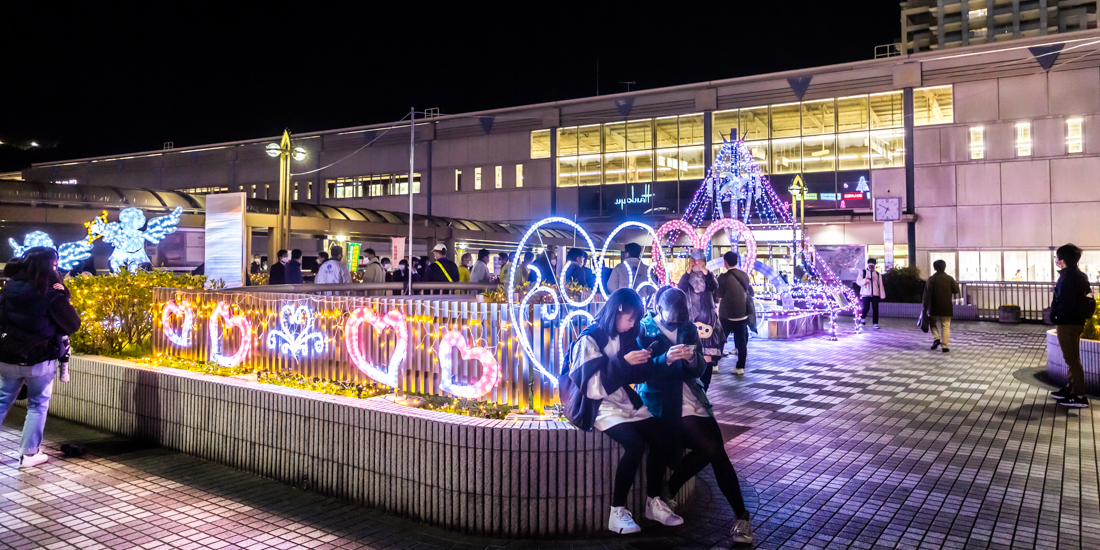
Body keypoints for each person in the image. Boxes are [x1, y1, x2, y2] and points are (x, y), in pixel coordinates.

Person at [637, 287, 752, 544]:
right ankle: (742, 518)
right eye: (672, 320)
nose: (677, 323)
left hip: (692, 398)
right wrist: (665, 358)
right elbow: (641, 374)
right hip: (664, 402)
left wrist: (691, 360)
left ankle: (672, 490)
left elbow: (700, 367)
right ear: (657, 309)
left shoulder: (689, 327)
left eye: (681, 319)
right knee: (713, 448)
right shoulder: (644, 329)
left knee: (715, 450)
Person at [565, 288, 672, 534]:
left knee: (660, 437)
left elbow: (630, 375)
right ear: (618, 310)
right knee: (634, 445)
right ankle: (617, 511)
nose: (632, 324)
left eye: (635, 320)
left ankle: (653, 502)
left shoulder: (626, 335)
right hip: (597, 405)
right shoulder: (590, 338)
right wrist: (625, 362)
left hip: (622, 399)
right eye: (630, 318)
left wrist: (653, 359)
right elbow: (591, 385)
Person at [0, 247, 81, 468]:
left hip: (7, 356)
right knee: (37, 405)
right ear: (50, 265)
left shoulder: (10, 286)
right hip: (39, 357)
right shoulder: (52, 291)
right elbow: (72, 324)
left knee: (2, 401)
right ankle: (29, 454)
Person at [1050, 244, 1096, 408]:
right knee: (1071, 358)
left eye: (1057, 257)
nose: (1056, 260)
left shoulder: (1069, 277)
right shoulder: (1079, 275)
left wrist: (1055, 314)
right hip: (1074, 321)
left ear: (1062, 260)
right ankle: (1070, 388)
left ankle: (1078, 395)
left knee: (1072, 359)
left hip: (1068, 322)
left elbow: (1067, 303)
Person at [678, 250, 725, 376]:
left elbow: (714, 286)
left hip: (707, 316)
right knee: (692, 346)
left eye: (700, 262)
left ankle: (707, 374)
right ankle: (695, 374)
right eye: (694, 262)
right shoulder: (687, 277)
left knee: (708, 348)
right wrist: (689, 269)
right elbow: (680, 288)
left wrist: (704, 270)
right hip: (691, 315)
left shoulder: (709, 276)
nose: (697, 265)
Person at [717, 251, 753, 375]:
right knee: (741, 341)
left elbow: (718, 294)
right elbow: (749, 291)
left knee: (721, 339)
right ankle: (740, 368)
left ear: (725, 262)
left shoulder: (722, 277)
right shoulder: (744, 275)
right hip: (742, 314)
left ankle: (715, 364)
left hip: (726, 315)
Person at [923, 259, 960, 353]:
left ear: (934, 267)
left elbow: (927, 294)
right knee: (946, 326)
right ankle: (945, 346)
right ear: (944, 267)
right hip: (946, 306)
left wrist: (925, 308)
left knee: (932, 323)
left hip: (934, 306)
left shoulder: (931, 279)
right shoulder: (950, 278)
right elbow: (956, 290)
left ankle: (936, 338)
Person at [856, 258, 885, 329]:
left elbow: (880, 285)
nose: (871, 265)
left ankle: (875, 323)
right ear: (868, 264)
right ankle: (862, 319)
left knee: (875, 309)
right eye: (870, 263)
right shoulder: (863, 272)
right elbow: (858, 281)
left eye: (873, 264)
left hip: (875, 293)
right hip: (865, 293)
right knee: (866, 307)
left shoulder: (878, 274)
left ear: (875, 265)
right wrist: (865, 280)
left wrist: (882, 295)